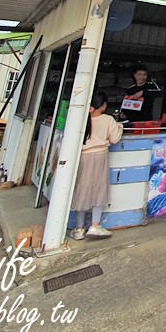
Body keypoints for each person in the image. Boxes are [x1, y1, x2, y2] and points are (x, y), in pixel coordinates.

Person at [71, 91, 123, 241]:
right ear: (103, 105)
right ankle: (95, 225)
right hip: (100, 156)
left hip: (83, 157)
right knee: (99, 188)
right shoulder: (108, 119)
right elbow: (114, 139)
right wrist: (119, 126)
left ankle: (79, 228)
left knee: (81, 189)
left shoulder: (82, 119)